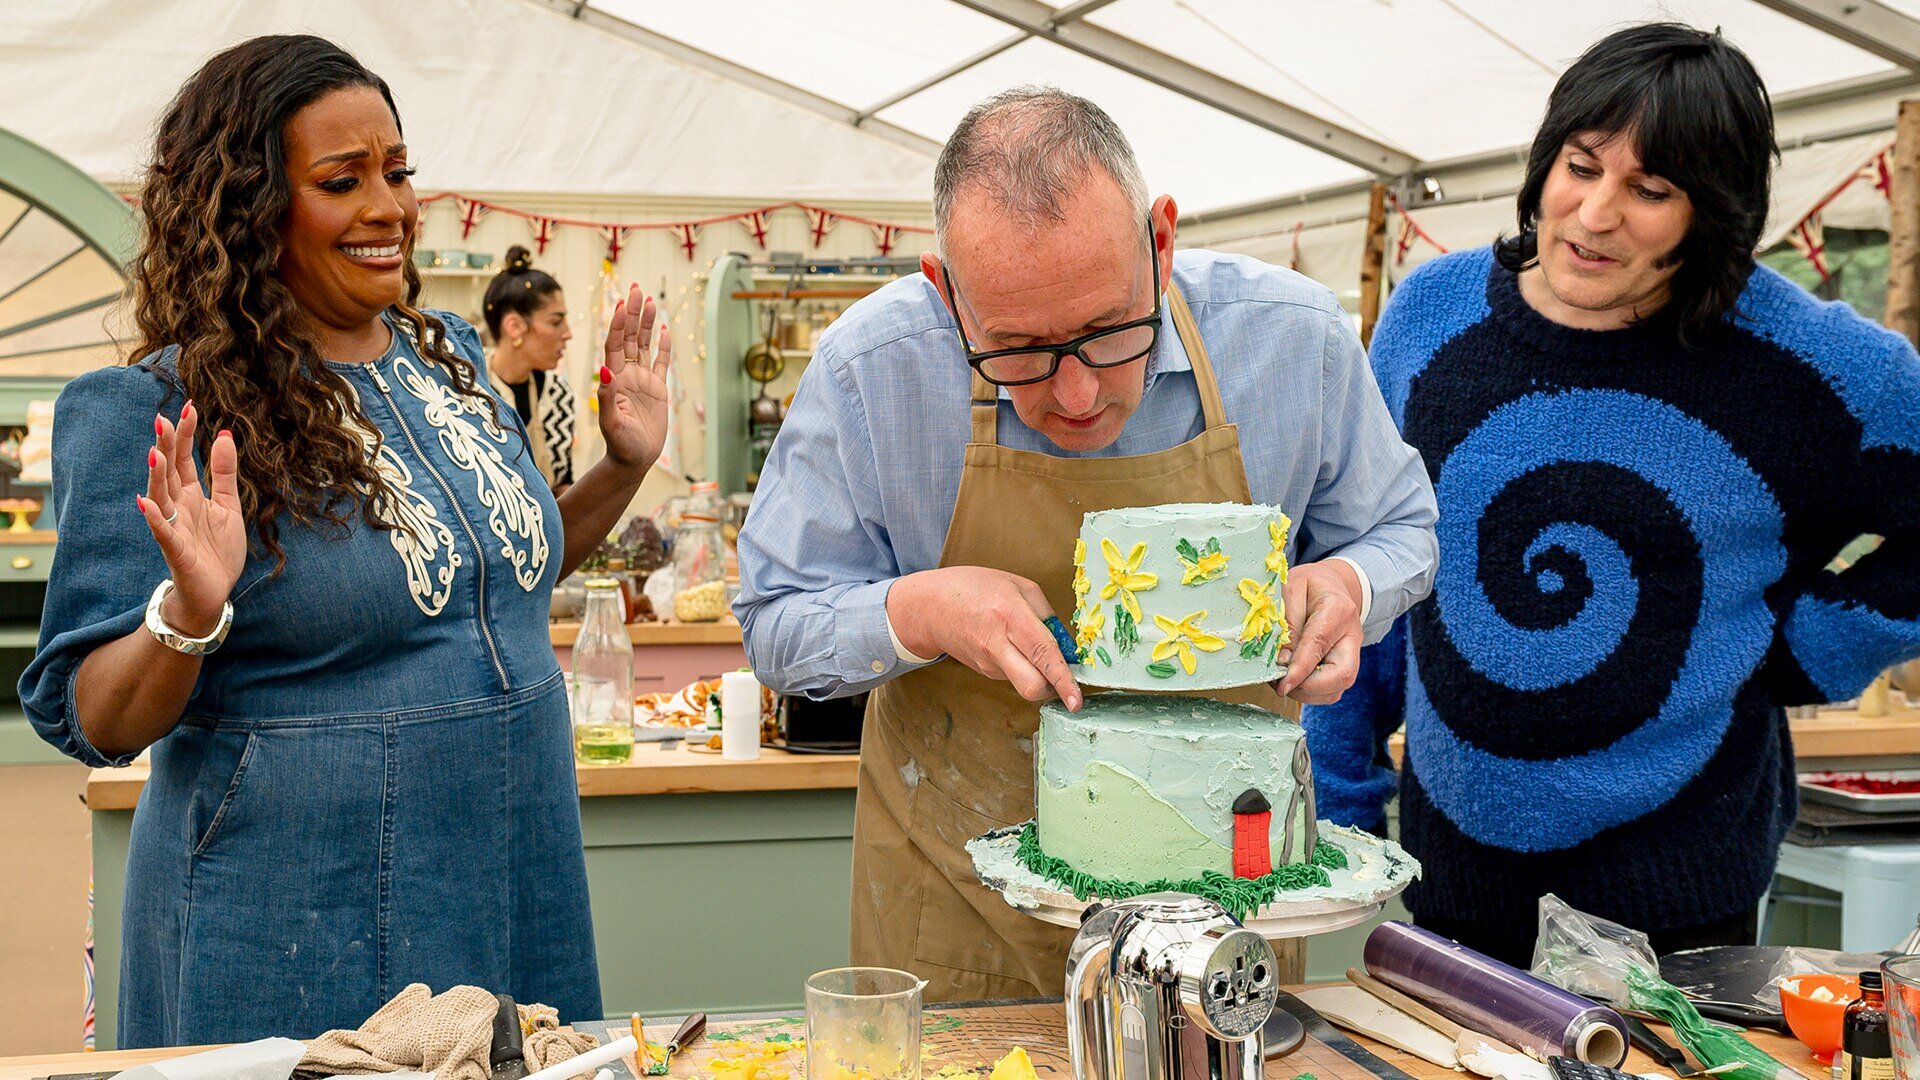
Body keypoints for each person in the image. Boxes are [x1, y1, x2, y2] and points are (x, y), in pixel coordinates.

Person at [20, 35, 675, 1045]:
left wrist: (623, 466)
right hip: (295, 916)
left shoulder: (448, 358)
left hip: (511, 864)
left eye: (398, 171)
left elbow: (486, 585)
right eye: (342, 180)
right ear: (250, 208)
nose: (388, 207)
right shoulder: (158, 408)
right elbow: (93, 715)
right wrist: (188, 612)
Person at [734, 87, 1438, 1001]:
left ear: (1163, 241)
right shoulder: (872, 372)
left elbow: (1403, 527)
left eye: (1110, 334)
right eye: (1017, 350)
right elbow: (775, 623)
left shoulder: (1293, 343)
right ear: (946, 292)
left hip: (1228, 931)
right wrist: (919, 610)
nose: (1075, 396)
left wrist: (1348, 582)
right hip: (960, 915)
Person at [1307, 23, 1920, 967]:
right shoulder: (1430, 318)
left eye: (1650, 190)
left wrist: (1803, 654)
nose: (1594, 214)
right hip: (1444, 891)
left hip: (1682, 911)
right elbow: (1364, 561)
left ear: (1709, 215)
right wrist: (1342, 813)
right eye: (1580, 166)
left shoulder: (1806, 366)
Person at [483, 246, 578, 492]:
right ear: (515, 326)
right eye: (556, 322)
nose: (567, 333)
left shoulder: (557, 394)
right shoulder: (469, 391)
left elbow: (562, 484)